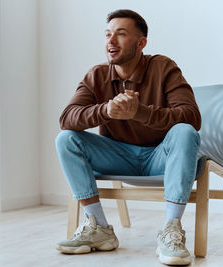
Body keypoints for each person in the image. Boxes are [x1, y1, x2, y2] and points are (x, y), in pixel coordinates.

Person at [55, 9, 201, 266]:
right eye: (108, 34)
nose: (111, 41)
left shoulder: (164, 67)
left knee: (184, 131)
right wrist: (106, 110)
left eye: (121, 34)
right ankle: (99, 227)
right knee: (66, 139)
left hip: (160, 156)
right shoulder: (96, 75)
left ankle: (171, 229)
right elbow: (67, 117)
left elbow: (191, 116)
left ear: (141, 42)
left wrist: (140, 112)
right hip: (118, 156)